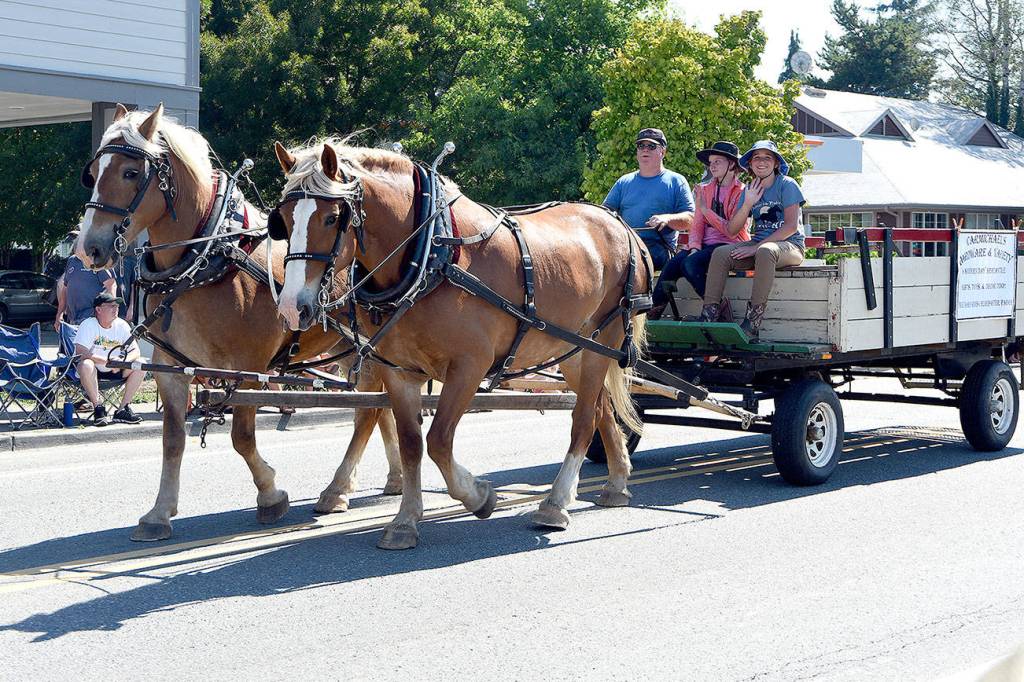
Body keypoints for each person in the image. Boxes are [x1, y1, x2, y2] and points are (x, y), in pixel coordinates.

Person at [701, 140, 806, 340]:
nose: (761, 162)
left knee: (766, 251)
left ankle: (753, 321)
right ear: (750, 163)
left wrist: (755, 247)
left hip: (790, 246)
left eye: (767, 157)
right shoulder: (750, 188)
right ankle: (709, 314)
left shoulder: (787, 184)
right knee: (721, 253)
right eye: (756, 157)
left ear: (776, 163)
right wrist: (748, 202)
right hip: (759, 247)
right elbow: (732, 230)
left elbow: (791, 226)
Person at [648, 141, 751, 320]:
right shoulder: (704, 189)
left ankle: (718, 307)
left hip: (729, 244)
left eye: (718, 161)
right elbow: (697, 224)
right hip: (705, 244)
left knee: (690, 264)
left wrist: (705, 210)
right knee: (671, 266)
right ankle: (656, 309)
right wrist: (694, 246)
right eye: (711, 162)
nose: (712, 166)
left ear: (732, 164)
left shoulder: (742, 192)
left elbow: (731, 231)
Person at [603, 128, 694, 270]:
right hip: (624, 243)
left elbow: (691, 219)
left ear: (663, 152)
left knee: (631, 263)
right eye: (641, 146)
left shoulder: (676, 181)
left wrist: (667, 219)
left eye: (651, 146)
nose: (645, 150)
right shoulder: (623, 182)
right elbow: (605, 213)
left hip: (658, 249)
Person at [73, 292, 146, 426]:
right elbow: (81, 352)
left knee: (140, 363)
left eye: (117, 306)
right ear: (98, 309)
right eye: (111, 306)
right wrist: (106, 362)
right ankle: (98, 408)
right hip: (94, 371)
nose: (116, 309)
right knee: (86, 364)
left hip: (117, 369)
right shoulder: (88, 325)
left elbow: (135, 350)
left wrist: (122, 363)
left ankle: (123, 409)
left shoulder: (122, 324)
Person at [54, 234, 117, 330]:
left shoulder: (96, 259)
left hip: (92, 318)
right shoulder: (72, 260)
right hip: (73, 318)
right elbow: (65, 289)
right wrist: (59, 314)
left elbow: (111, 285)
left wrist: (109, 312)